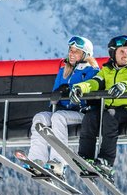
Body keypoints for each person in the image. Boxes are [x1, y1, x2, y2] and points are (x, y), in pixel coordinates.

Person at [68, 34, 127, 179]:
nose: (126, 55)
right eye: (122, 51)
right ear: (113, 54)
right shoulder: (107, 70)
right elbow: (95, 82)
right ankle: (85, 157)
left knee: (109, 116)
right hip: (109, 111)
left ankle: (106, 161)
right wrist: (80, 87)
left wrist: (124, 85)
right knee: (90, 117)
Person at [26, 35, 98, 173]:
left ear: (86, 54)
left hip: (82, 113)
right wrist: (58, 95)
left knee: (58, 117)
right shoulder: (63, 71)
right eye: (70, 50)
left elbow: (90, 93)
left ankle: (58, 162)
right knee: (39, 118)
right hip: (61, 111)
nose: (71, 53)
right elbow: (54, 95)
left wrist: (71, 91)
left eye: (76, 51)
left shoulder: (92, 71)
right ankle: (37, 159)